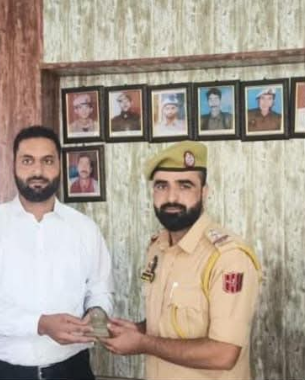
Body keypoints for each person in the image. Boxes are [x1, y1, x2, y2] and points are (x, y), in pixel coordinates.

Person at [0, 125, 113, 380]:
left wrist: (96, 314)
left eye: (48, 161)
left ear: (60, 166)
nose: (38, 171)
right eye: (28, 161)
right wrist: (40, 324)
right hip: (2, 372)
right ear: (14, 165)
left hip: (72, 370)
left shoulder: (84, 228)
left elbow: (100, 290)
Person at [100, 141, 261, 380]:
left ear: (204, 192)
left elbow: (223, 354)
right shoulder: (158, 248)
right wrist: (139, 329)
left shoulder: (227, 258)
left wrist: (143, 343)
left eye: (185, 186)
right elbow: (173, 321)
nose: (171, 197)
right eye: (161, 186)